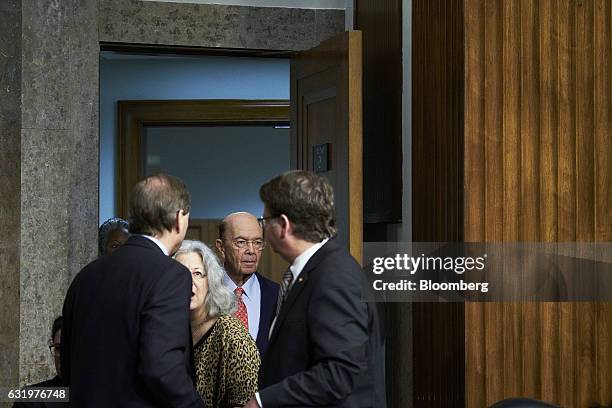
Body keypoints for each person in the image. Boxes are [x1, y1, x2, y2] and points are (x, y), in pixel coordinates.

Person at [244, 170, 386, 408]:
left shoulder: (334, 276)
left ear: (284, 225)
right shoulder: (316, 269)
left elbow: (340, 372)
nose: (263, 230)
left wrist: (262, 401)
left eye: (264, 221)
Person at [61, 174, 204, 407]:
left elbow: (67, 366)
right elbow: (161, 369)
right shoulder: (171, 275)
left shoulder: (85, 276)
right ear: (179, 218)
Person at [175, 240, 260, 408]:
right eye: (181, 274)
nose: (189, 282)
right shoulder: (171, 329)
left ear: (210, 281)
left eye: (197, 274)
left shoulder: (232, 335)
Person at [215, 212, 279, 357]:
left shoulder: (278, 295)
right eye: (241, 242)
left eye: (257, 243)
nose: (251, 251)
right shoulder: (203, 293)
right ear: (221, 247)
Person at [12, 316, 65, 408]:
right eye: (58, 348)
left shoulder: (96, 395)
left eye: (70, 348)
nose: (63, 356)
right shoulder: (30, 399)